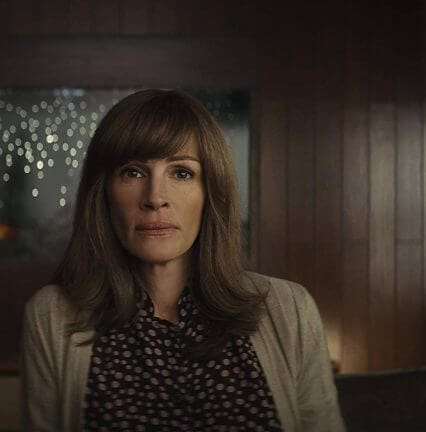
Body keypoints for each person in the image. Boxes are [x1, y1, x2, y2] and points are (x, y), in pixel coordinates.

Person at [21, 89, 345, 431]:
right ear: (103, 192)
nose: (155, 197)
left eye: (182, 173)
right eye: (132, 172)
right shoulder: (52, 316)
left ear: (211, 192)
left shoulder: (290, 310)